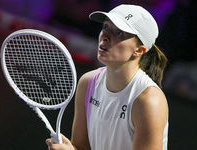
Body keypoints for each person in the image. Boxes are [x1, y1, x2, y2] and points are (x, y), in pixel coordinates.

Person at [46, 4, 168, 150]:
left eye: (118, 33)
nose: (105, 36)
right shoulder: (87, 82)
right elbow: (81, 147)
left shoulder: (148, 101)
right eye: (105, 27)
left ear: (139, 50)